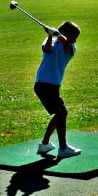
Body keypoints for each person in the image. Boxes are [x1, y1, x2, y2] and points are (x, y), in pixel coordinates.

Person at [34, 21, 82, 159]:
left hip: (52, 85)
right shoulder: (53, 41)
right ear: (67, 34)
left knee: (60, 113)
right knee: (61, 113)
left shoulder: (72, 47)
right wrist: (50, 35)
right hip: (43, 84)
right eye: (74, 36)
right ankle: (63, 147)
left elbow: (67, 45)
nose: (75, 40)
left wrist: (57, 33)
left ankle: (45, 144)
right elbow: (46, 49)